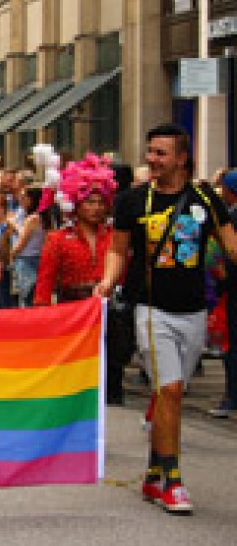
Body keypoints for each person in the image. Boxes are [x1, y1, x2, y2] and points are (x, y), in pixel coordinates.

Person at [95, 124, 237, 514]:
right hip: (150, 309)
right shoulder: (132, 201)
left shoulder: (207, 199)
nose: (151, 160)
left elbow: (230, 245)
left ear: (181, 158)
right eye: (150, 152)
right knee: (170, 390)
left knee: (169, 395)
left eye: (160, 153)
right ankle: (173, 480)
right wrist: (107, 281)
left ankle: (153, 472)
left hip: (194, 311)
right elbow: (117, 250)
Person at [33, 153, 124, 404]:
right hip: (72, 312)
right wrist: (43, 317)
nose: (95, 208)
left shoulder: (115, 237)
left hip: (109, 312)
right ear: (76, 202)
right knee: (75, 378)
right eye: (88, 202)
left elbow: (124, 273)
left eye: (100, 202)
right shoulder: (58, 239)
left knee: (111, 376)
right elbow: (45, 282)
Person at [210, 169, 237, 418]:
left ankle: (232, 397)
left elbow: (224, 258)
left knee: (232, 345)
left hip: (232, 292)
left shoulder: (230, 219)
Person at [10, 186, 48, 307]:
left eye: (23, 197)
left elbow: (21, 242)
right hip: (36, 259)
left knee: (26, 299)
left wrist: (12, 254)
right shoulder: (42, 217)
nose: (20, 200)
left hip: (27, 261)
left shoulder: (32, 218)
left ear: (32, 199)